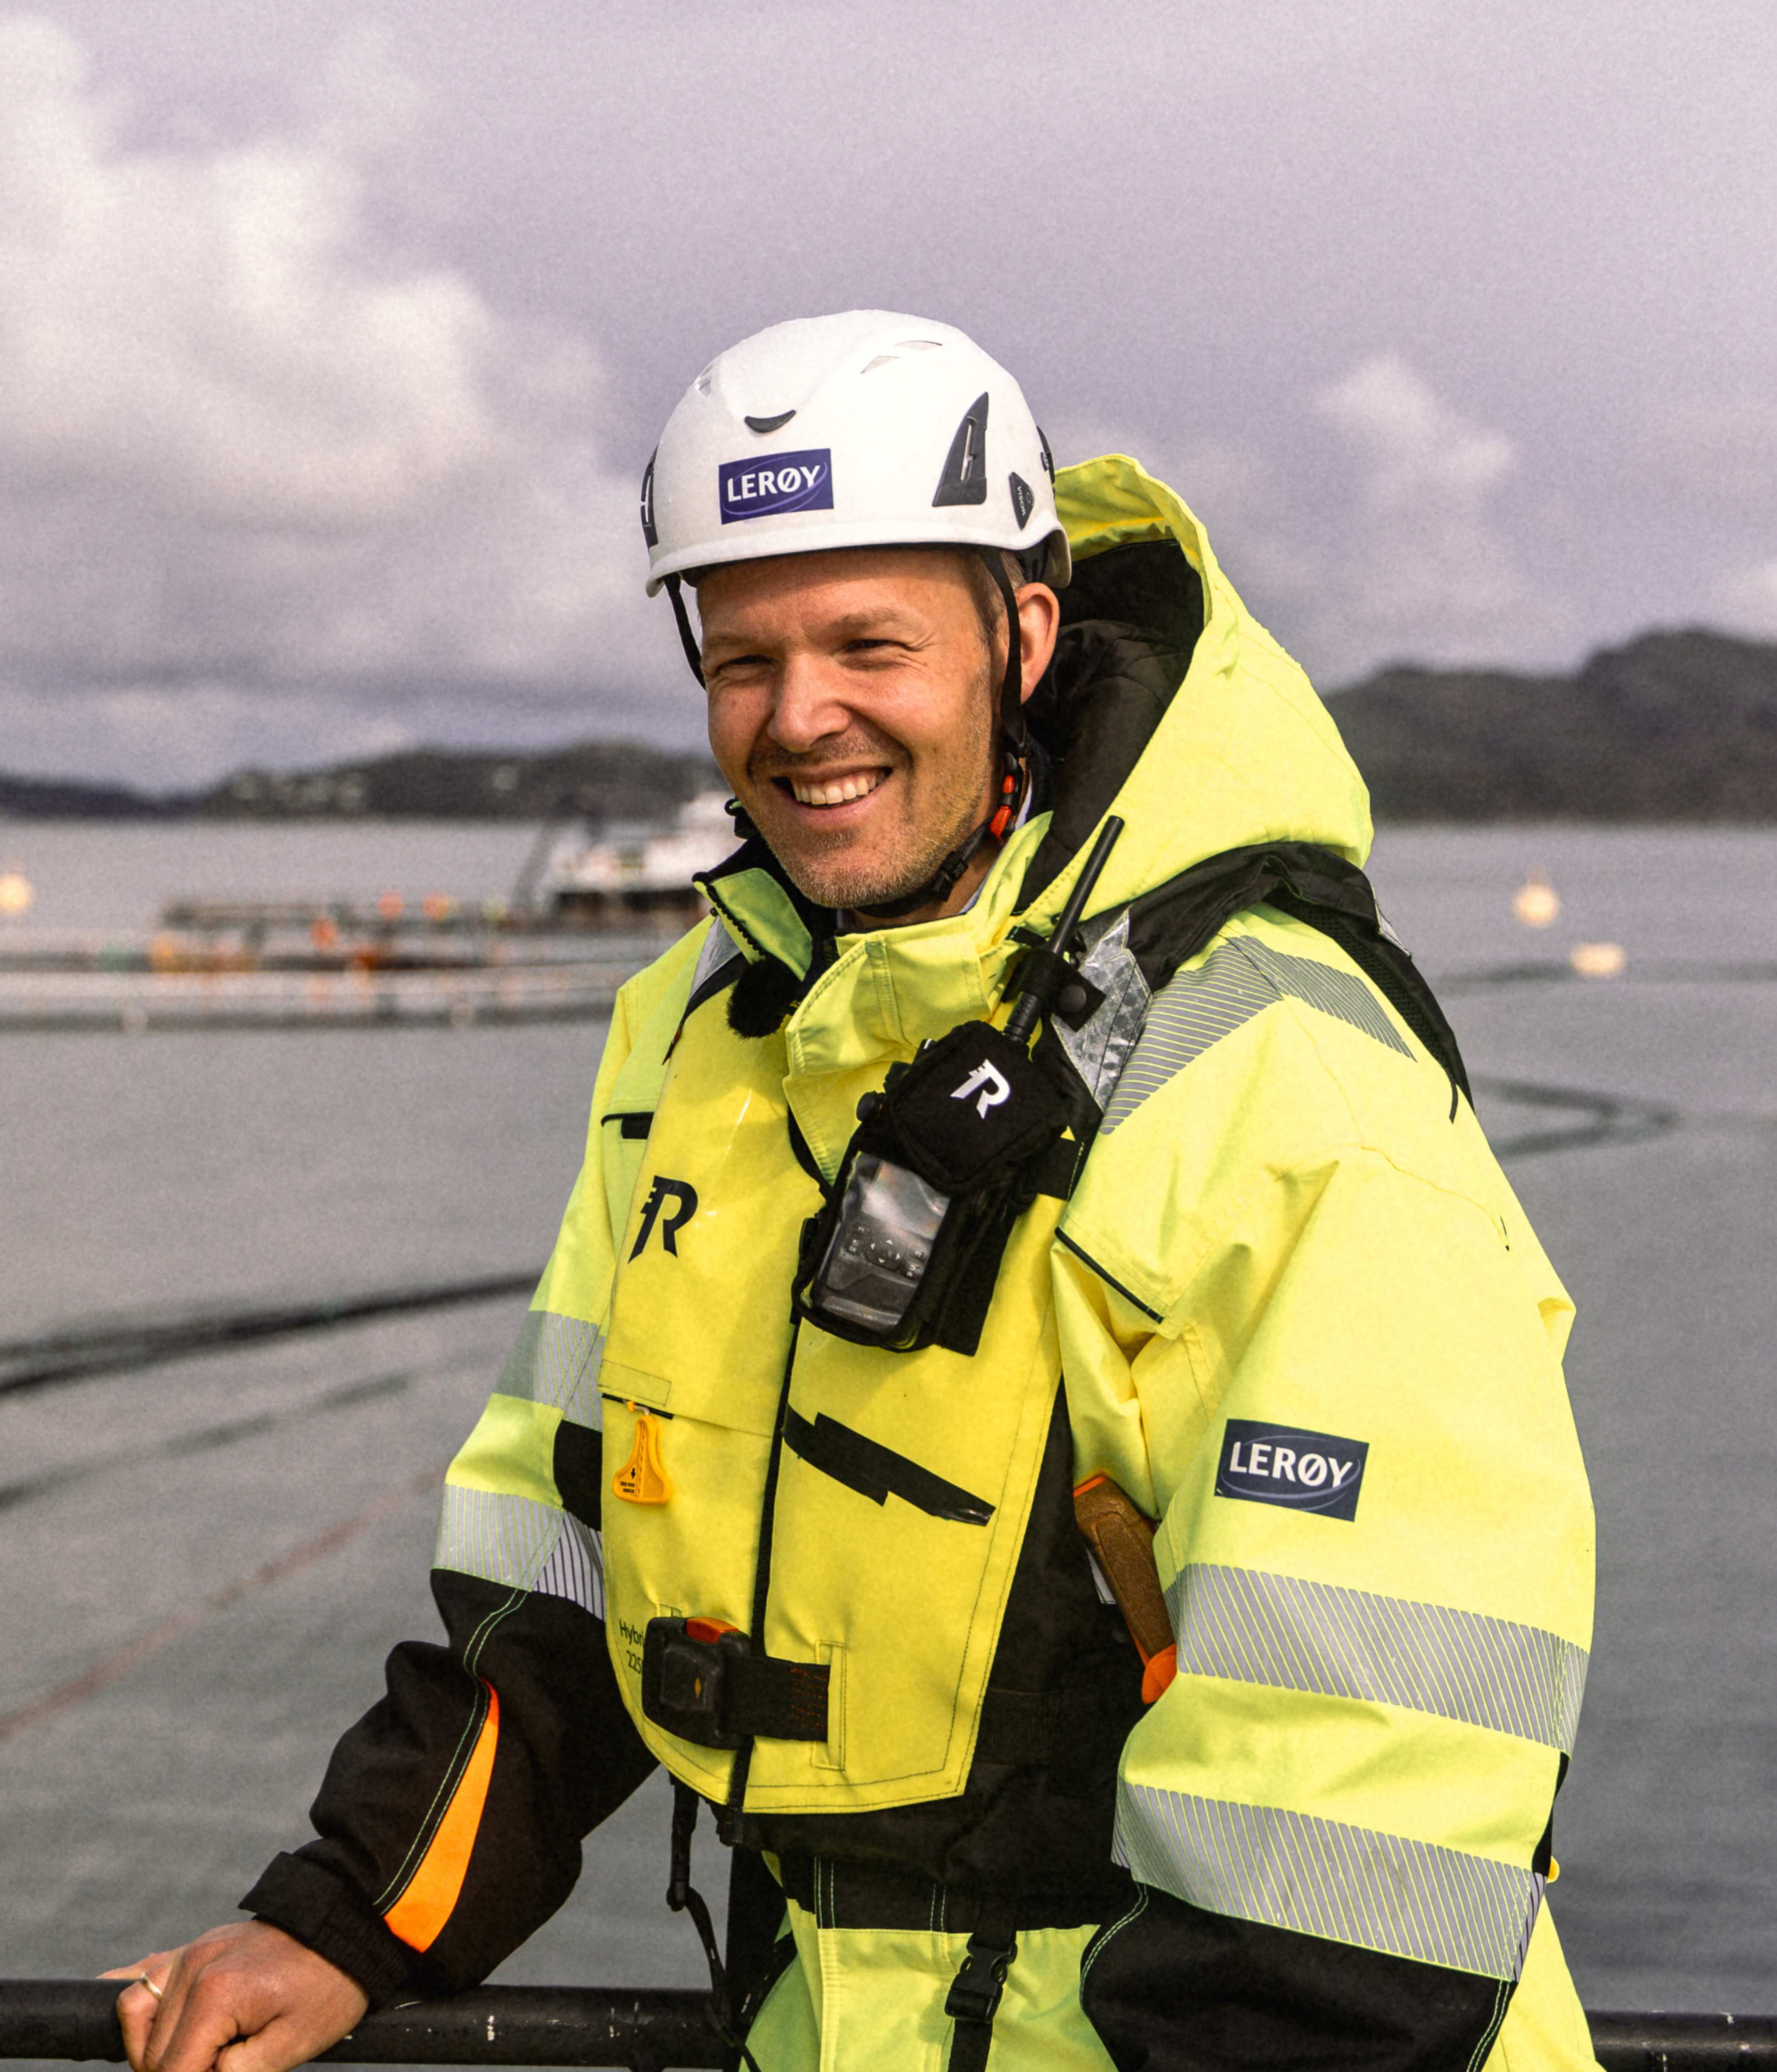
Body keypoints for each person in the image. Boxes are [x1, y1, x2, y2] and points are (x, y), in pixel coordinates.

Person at [112, 314, 1597, 2071]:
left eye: (867, 644)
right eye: (744, 659)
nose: (800, 716)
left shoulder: (1275, 1067)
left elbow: (1370, 1777)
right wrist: (357, 1914)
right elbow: (569, 1549)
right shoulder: (697, 1027)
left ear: (1021, 636)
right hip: (832, 2012)